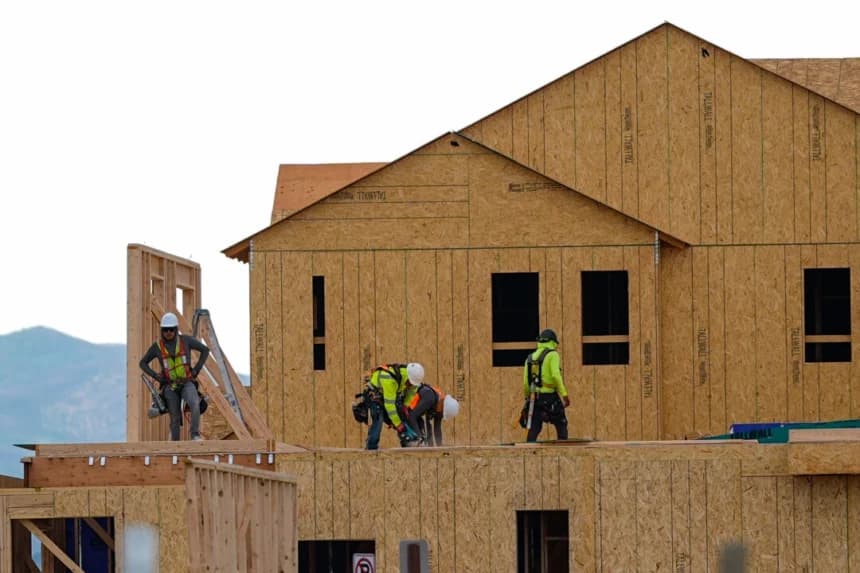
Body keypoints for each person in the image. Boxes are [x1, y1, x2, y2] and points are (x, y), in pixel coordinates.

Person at [139, 312, 210, 441]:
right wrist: (156, 376)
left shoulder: (186, 341)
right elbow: (142, 363)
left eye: (171, 329)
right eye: (165, 330)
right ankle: (175, 445)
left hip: (187, 382)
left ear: (176, 329)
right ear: (162, 331)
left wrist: (196, 370)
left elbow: (205, 350)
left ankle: (194, 434)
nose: (168, 332)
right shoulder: (157, 348)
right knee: (175, 417)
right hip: (169, 386)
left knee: (195, 403)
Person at [522, 328, 569, 442]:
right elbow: (556, 376)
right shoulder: (553, 355)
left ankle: (529, 454)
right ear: (553, 342)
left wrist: (527, 397)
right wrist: (564, 395)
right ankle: (563, 452)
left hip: (535, 398)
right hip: (550, 397)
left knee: (534, 428)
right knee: (561, 423)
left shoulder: (530, 358)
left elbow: (526, 382)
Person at [361, 362, 421, 450]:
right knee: (378, 418)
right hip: (375, 397)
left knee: (401, 415)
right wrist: (398, 424)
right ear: (408, 378)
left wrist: (405, 406)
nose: (411, 385)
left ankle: (407, 443)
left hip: (389, 396)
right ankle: (371, 448)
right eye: (410, 383)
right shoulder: (390, 379)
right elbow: (390, 407)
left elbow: (411, 392)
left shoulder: (413, 380)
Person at [403, 367, 459, 446]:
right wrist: (420, 439)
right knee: (418, 433)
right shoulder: (429, 397)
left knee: (422, 431)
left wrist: (439, 447)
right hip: (404, 408)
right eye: (442, 413)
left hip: (412, 413)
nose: (440, 415)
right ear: (442, 404)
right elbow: (411, 416)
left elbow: (436, 428)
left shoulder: (438, 406)